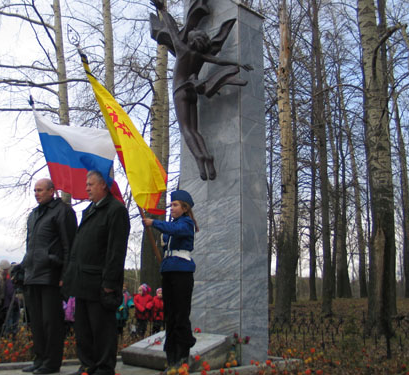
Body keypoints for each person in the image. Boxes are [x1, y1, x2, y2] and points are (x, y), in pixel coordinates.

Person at [150, 0, 252, 180]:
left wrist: (162, 10)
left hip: (180, 91)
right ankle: (208, 157)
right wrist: (238, 63)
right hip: (192, 92)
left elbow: (172, 33)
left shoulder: (182, 50)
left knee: (187, 131)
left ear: (190, 40)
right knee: (195, 130)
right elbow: (219, 61)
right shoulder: (201, 55)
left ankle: (201, 161)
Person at [63, 170, 130, 375]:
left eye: (91, 184)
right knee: (83, 329)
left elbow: (116, 250)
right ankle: (87, 365)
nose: (87, 188)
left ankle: (103, 368)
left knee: (101, 329)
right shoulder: (90, 210)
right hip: (81, 282)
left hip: (100, 284)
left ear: (103, 186)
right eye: (87, 184)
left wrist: (110, 282)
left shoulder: (116, 210)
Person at [21, 178, 77, 375]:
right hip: (33, 274)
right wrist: (24, 266)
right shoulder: (33, 215)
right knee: (36, 322)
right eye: (35, 190)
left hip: (52, 275)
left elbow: (69, 245)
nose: (37, 193)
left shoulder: (62, 211)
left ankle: (52, 363)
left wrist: (65, 274)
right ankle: (40, 359)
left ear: (52, 191)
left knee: (51, 322)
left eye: (40, 190)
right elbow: (31, 244)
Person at [143, 190, 198, 370]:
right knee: (171, 316)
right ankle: (172, 355)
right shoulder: (172, 226)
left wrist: (154, 223)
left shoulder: (186, 223)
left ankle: (182, 352)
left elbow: (175, 229)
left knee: (180, 315)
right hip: (169, 271)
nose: (172, 208)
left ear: (184, 207)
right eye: (172, 205)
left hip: (182, 272)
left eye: (175, 205)